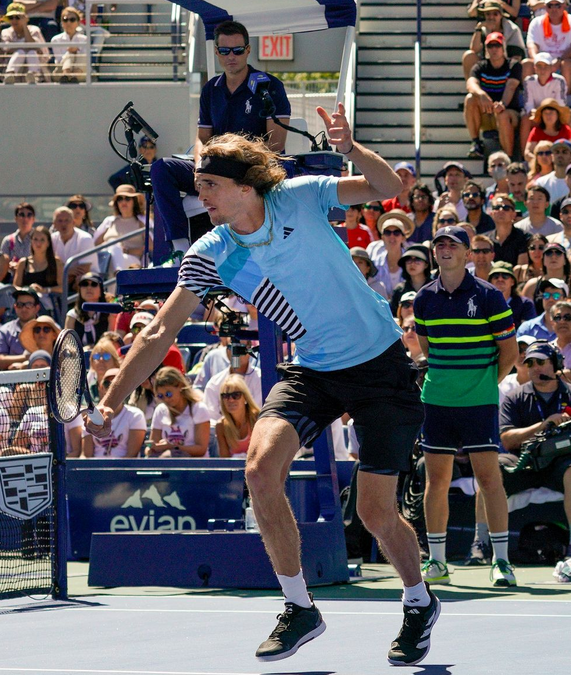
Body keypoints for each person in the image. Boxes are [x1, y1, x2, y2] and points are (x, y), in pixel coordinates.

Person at [90, 115, 437, 664]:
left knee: (374, 512)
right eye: (197, 183)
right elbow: (160, 330)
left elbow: (389, 188)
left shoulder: (298, 197)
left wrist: (351, 148)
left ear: (245, 188)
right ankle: (299, 606)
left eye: (209, 184)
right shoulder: (211, 251)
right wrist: (111, 400)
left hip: (380, 366)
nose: (198, 193)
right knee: (259, 469)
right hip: (315, 368)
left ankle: (418, 600)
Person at [413, 224, 518, 588]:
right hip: (437, 402)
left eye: (453, 245)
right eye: (439, 244)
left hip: (479, 404)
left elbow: (510, 353)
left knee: (490, 480)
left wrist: (483, 383)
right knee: (436, 481)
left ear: (467, 254)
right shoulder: (423, 298)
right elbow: (429, 350)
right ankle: (438, 561)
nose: (445, 250)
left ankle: (501, 561)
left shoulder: (490, 296)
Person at [150, 21, 290, 265]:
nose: (231, 56)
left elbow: (275, 147)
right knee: (161, 168)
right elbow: (202, 138)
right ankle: (181, 249)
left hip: (250, 173)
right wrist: (199, 168)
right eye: (224, 51)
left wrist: (232, 166)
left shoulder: (269, 86)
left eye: (237, 50)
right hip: (215, 171)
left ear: (248, 50)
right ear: (216, 52)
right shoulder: (211, 89)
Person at [499, 340, 571, 556]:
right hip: (526, 462)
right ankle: (481, 543)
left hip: (561, 462)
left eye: (540, 362)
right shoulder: (515, 398)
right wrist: (543, 425)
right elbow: (508, 440)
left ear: (556, 364)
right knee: (491, 471)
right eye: (529, 364)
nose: (535, 368)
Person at [465, 32, 522, 158]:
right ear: (486, 49)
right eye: (490, 46)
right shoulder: (480, 67)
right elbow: (470, 83)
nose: (494, 49)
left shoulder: (513, 65)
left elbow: (511, 86)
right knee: (470, 99)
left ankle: (509, 157)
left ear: (503, 48)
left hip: (510, 112)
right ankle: (476, 142)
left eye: (497, 45)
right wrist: (481, 94)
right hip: (487, 111)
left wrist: (502, 104)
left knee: (502, 115)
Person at [0, 288, 41, 370]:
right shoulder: (5, 330)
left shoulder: (48, 327)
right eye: (20, 304)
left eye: (29, 304)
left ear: (37, 308)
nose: (24, 309)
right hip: (12, 379)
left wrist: (25, 363)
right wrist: (25, 357)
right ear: (15, 307)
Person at [215, 373, 260, 458]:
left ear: (245, 397)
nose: (231, 400)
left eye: (236, 395)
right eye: (226, 396)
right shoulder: (221, 426)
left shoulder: (257, 419)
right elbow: (225, 462)